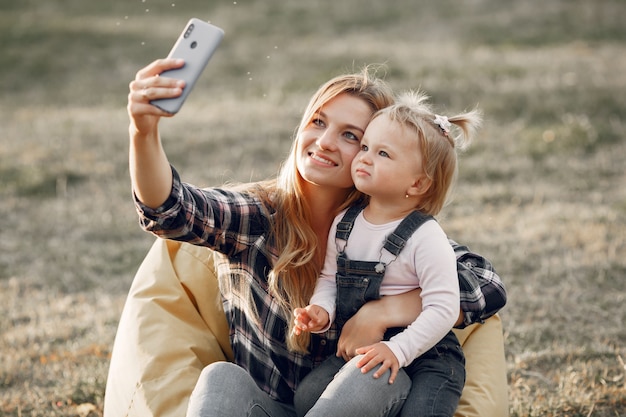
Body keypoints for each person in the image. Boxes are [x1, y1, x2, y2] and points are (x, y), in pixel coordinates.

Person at [105, 57, 508, 417]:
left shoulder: (387, 227)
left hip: (366, 399)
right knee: (220, 378)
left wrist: (381, 312)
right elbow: (172, 211)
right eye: (318, 121)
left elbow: (485, 283)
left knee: (368, 375)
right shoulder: (259, 216)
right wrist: (143, 131)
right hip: (273, 405)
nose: (326, 141)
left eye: (352, 136)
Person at [292, 91, 481, 417]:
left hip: (429, 357)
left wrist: (398, 349)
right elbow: (329, 278)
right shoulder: (345, 223)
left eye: (382, 154)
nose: (363, 157)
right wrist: (321, 310)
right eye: (365, 147)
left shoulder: (425, 236)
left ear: (418, 184)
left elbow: (444, 308)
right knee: (306, 398)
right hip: (363, 347)